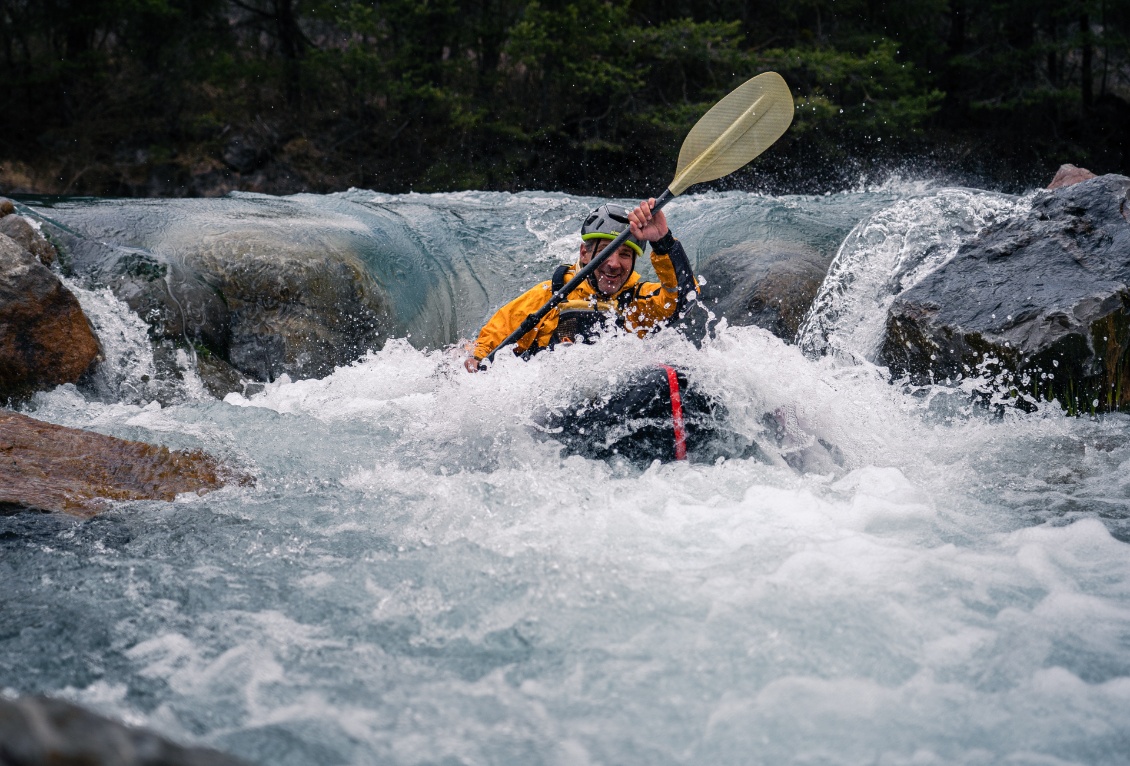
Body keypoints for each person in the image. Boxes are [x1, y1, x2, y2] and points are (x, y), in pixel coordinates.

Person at [465, 198, 698, 372]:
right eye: (605, 252)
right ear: (584, 253)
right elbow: (487, 344)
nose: (614, 264)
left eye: (625, 254)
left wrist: (662, 240)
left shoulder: (638, 299)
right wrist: (474, 360)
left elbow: (684, 300)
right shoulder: (550, 295)